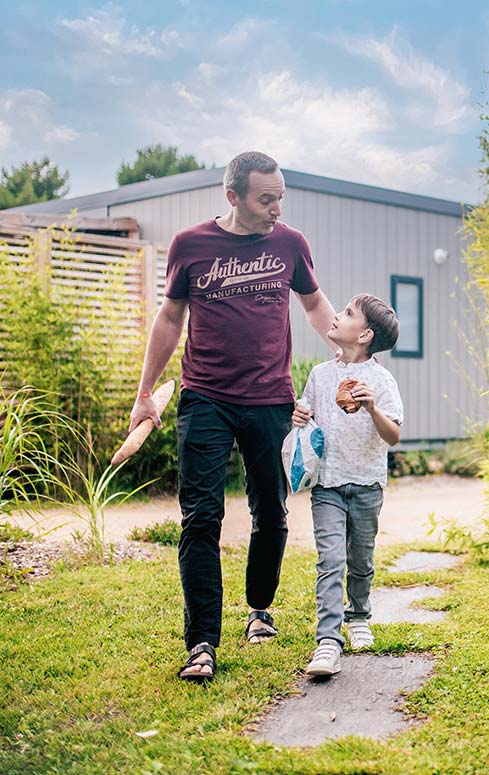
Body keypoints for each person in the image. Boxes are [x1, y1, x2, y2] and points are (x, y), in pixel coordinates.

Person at [127, 151, 336, 683]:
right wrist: (146, 391)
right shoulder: (191, 246)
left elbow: (313, 304)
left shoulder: (290, 244)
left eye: (280, 197)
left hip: (271, 399)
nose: (276, 209)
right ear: (234, 196)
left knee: (272, 510)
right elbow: (170, 317)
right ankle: (201, 642)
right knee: (201, 517)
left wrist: (348, 350)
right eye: (266, 199)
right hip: (206, 398)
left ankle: (259, 608)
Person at [291, 294, 403, 676]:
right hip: (327, 483)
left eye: (348, 313)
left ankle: (358, 615)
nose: (336, 316)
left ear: (365, 335)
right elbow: (306, 415)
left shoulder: (382, 381)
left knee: (360, 559)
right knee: (331, 560)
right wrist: (299, 413)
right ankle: (327, 641)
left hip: (368, 483)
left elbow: (394, 437)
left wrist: (373, 408)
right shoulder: (321, 376)